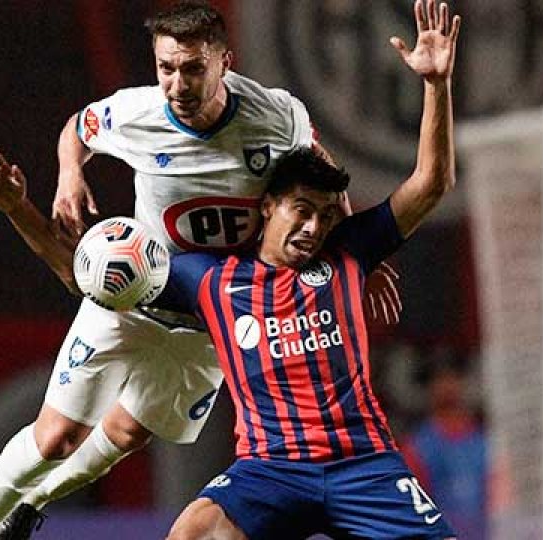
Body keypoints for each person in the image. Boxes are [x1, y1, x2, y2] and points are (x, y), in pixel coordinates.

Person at [0, 1, 398, 539]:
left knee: (125, 435)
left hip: (214, 317)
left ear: (224, 63)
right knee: (57, 440)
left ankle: (32, 507)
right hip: (135, 288)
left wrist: (355, 256)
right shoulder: (137, 114)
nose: (178, 84)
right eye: (166, 68)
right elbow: (79, 126)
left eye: (192, 69)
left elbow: (323, 174)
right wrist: (70, 174)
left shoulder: (275, 115)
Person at [155, 2, 462, 537]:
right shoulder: (209, 277)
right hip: (270, 469)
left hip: (363, 464)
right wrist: (24, 215)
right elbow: (99, 281)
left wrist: (436, 85)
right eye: (304, 210)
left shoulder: (348, 250)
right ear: (268, 205)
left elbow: (430, 184)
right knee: (190, 534)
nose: (315, 227)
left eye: (325, 215)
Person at [403, 361, 488, 540]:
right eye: (440, 380)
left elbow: (501, 495)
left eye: (453, 379)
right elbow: (410, 505)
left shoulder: (484, 443)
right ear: (431, 388)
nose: (447, 387)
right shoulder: (419, 447)